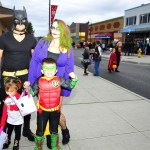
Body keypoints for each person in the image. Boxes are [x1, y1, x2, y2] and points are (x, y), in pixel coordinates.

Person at [28, 19, 76, 147]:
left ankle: (64, 130)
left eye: (57, 29)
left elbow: (69, 68)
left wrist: (66, 87)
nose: (54, 31)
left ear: (63, 31)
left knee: (56, 113)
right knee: (44, 111)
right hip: (42, 84)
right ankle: (48, 136)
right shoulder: (43, 42)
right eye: (53, 27)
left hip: (57, 86)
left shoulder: (67, 48)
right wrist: (31, 82)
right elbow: (34, 62)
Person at [0, 7, 37, 141]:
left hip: (24, 78)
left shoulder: (31, 39)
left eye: (23, 21)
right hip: (7, 79)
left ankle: (26, 130)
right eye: (17, 20)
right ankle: (4, 133)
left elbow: (35, 62)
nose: (20, 23)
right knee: (6, 106)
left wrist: (31, 80)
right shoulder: (4, 38)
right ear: (13, 21)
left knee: (25, 107)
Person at [27, 58, 78, 150]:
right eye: (47, 69)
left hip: (55, 111)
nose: (49, 71)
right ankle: (38, 147)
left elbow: (70, 85)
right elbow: (32, 93)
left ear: (56, 70)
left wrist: (74, 78)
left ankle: (55, 146)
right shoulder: (39, 81)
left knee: (54, 131)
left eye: (52, 69)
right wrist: (27, 88)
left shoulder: (59, 80)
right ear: (42, 70)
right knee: (40, 131)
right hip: (42, 111)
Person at [0, 77, 23, 150]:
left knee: (17, 133)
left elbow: (19, 107)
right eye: (7, 91)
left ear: (16, 88)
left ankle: (16, 143)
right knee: (8, 132)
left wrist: (11, 107)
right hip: (10, 120)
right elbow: (4, 113)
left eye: (12, 91)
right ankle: (7, 141)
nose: (9, 93)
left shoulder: (19, 97)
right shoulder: (7, 99)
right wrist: (2, 123)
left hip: (18, 120)